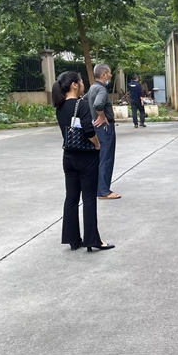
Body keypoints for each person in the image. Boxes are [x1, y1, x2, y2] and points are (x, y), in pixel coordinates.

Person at [53, 71, 114, 252]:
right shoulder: (81, 105)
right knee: (88, 198)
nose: (82, 85)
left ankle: (72, 239)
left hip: (68, 156)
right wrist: (97, 145)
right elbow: (88, 130)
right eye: (80, 82)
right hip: (86, 157)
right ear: (74, 85)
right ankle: (92, 239)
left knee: (71, 198)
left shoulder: (60, 107)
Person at [87, 64, 121, 200]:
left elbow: (85, 101)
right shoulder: (101, 89)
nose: (111, 75)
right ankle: (104, 191)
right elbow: (98, 104)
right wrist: (101, 116)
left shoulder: (92, 88)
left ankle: (100, 188)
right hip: (105, 128)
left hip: (96, 128)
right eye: (109, 73)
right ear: (103, 75)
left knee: (100, 158)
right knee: (106, 158)